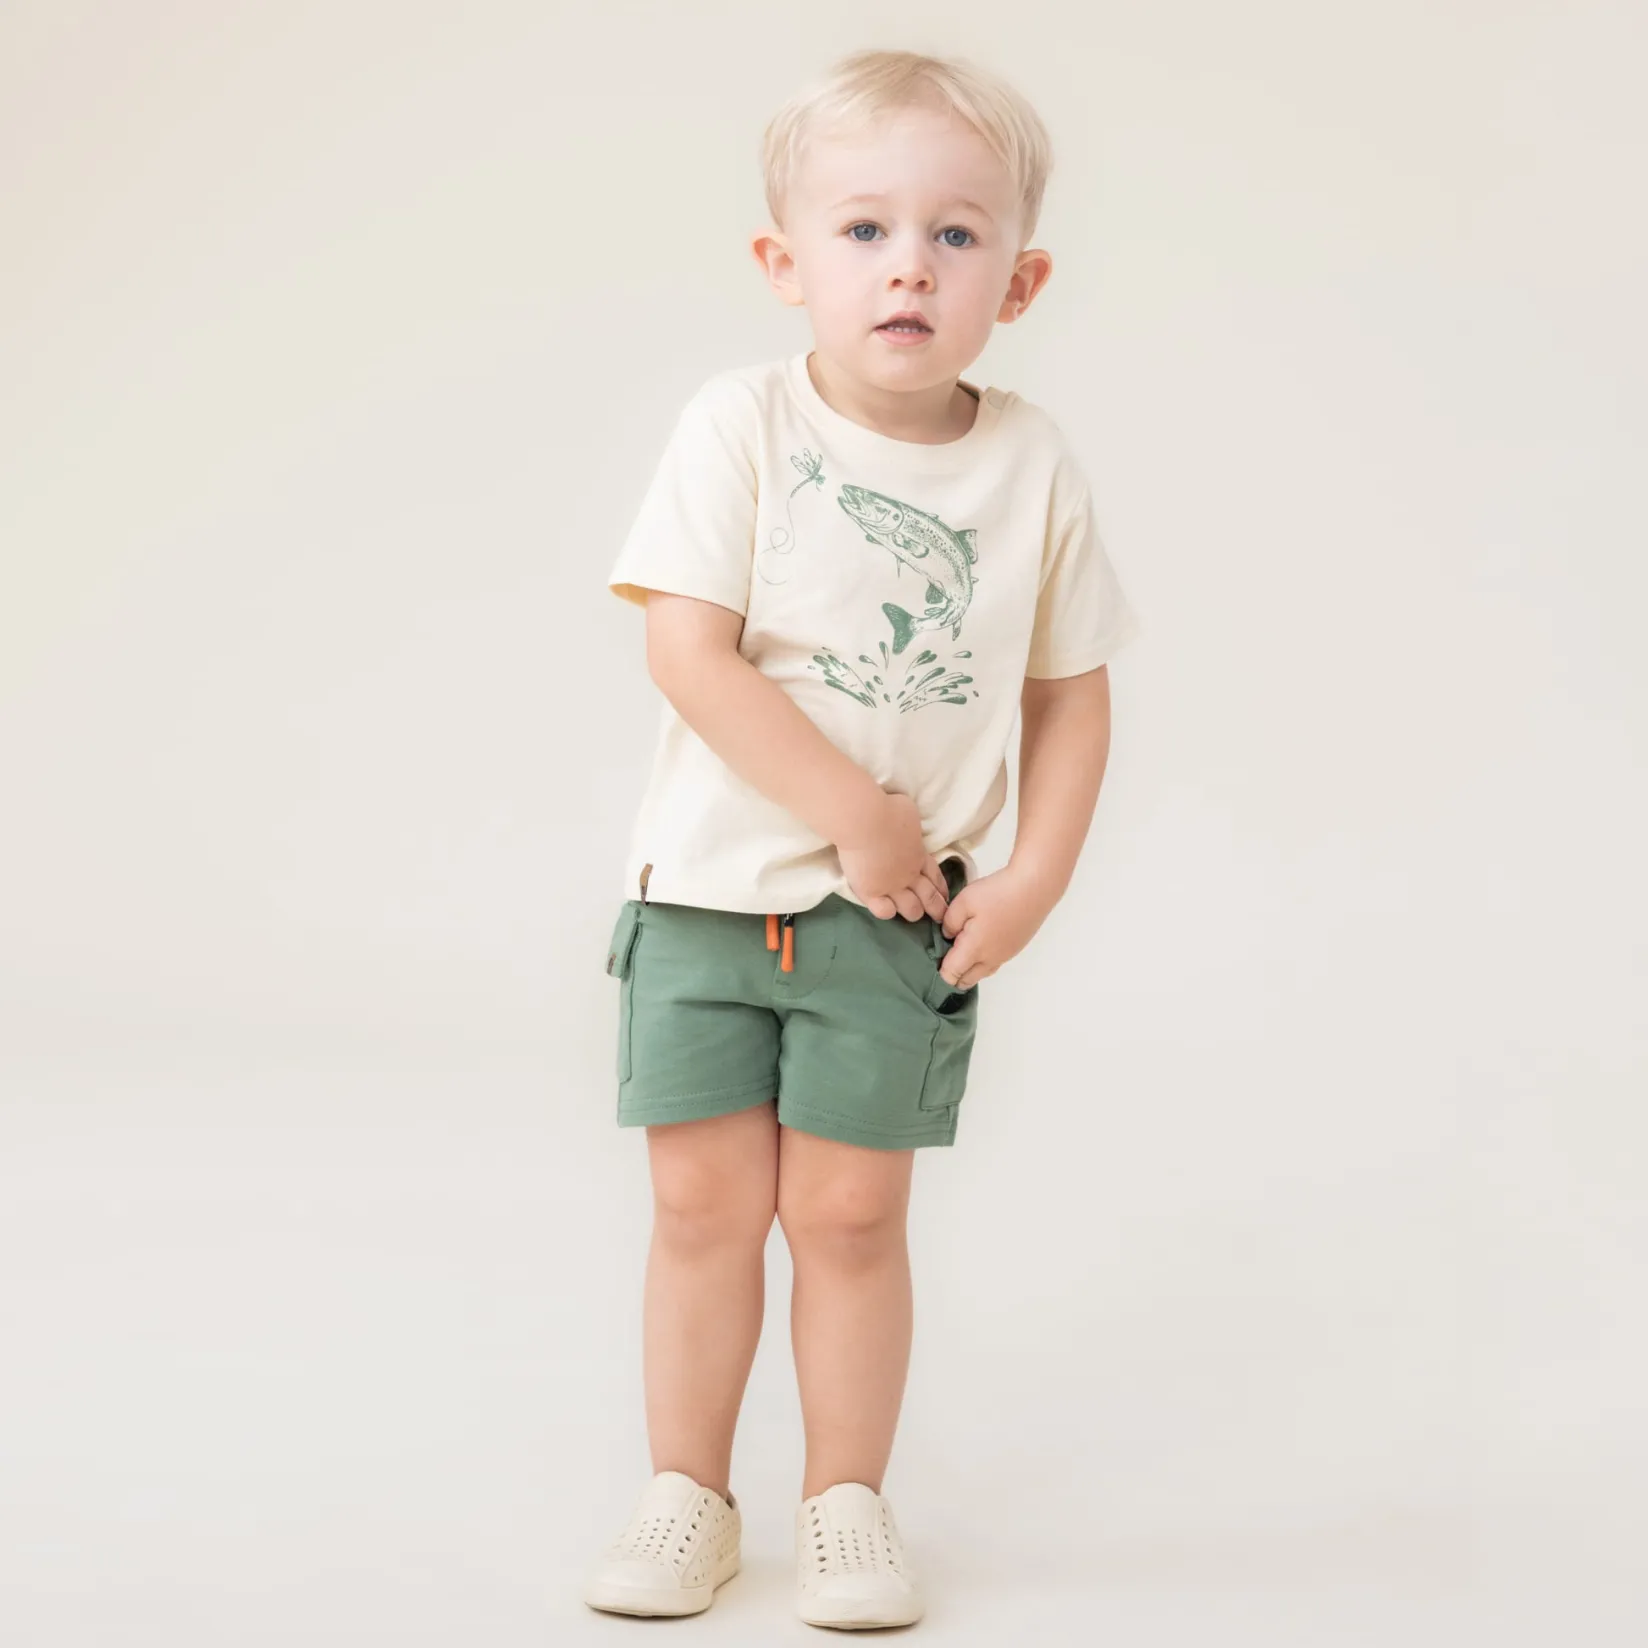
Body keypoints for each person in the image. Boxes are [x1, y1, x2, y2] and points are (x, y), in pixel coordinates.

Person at [583, 46, 1141, 1631]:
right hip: (708, 905)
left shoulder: (1030, 465)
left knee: (849, 1217)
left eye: (956, 236)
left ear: (1018, 283)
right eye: (866, 230)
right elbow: (688, 652)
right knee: (703, 1212)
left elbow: (1072, 697)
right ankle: (688, 1494)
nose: (910, 266)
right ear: (787, 263)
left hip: (892, 931)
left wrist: (1032, 879)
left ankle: (845, 1501)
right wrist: (858, 815)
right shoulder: (741, 425)